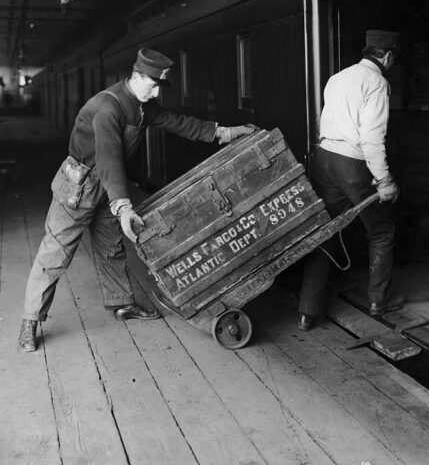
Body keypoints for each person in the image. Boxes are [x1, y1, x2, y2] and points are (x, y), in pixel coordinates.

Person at [18, 48, 255, 352]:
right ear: (136, 75)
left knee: (111, 246)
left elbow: (179, 122)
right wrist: (125, 206)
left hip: (107, 188)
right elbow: (108, 160)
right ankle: (30, 321)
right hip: (79, 186)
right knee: (55, 253)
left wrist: (227, 132)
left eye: (160, 86)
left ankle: (121, 304)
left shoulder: (141, 105)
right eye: (153, 85)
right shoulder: (108, 107)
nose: (156, 92)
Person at [298, 29, 404, 331]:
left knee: (326, 232)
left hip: (324, 158)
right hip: (352, 164)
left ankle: (307, 311)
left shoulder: (338, 77)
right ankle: (377, 301)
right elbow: (372, 138)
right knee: (382, 230)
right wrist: (384, 180)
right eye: (393, 59)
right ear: (387, 56)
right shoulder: (377, 82)